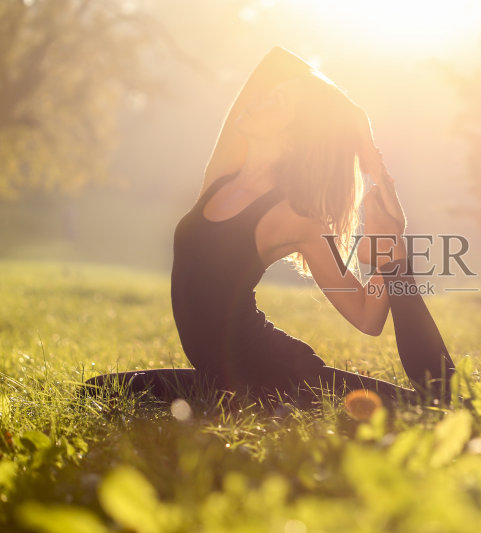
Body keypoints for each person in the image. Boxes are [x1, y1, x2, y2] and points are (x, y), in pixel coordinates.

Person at [86, 47, 455, 406]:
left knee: (428, 406)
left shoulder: (293, 216)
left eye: (275, 102)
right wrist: (353, 115)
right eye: (269, 96)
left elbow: (366, 316)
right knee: (97, 391)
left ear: (295, 135)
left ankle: (442, 388)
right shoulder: (222, 177)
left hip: (281, 375)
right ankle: (229, 393)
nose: (259, 100)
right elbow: (275, 60)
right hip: (221, 378)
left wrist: (390, 240)